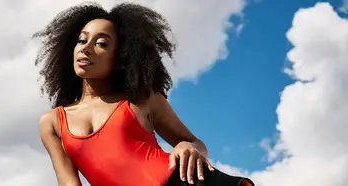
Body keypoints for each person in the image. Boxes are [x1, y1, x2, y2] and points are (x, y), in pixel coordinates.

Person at [33, 2, 254, 186]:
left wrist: (186, 147)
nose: (86, 48)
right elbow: (68, 183)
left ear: (119, 59)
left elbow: (194, 143)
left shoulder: (142, 100)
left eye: (101, 43)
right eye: (82, 40)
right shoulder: (53, 122)